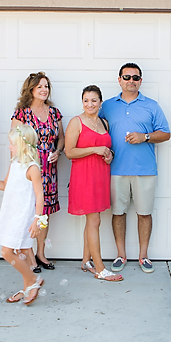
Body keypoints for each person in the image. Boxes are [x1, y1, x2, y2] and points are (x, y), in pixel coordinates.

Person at [100, 63, 170, 274]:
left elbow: (165, 134)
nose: (131, 81)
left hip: (145, 170)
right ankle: (121, 255)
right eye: (127, 77)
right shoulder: (107, 105)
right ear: (119, 79)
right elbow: (95, 128)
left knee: (144, 213)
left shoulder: (152, 105)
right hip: (115, 170)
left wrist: (145, 137)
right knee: (118, 213)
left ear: (141, 81)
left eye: (135, 78)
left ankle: (143, 256)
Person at [0, 124, 46, 305]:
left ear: (22, 145)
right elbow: (5, 185)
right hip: (10, 214)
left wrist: (37, 220)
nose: (9, 147)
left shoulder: (32, 168)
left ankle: (33, 280)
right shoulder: (15, 164)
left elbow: (40, 195)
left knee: (7, 252)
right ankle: (28, 285)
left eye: (12, 144)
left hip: (23, 217)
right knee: (18, 252)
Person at [65, 85, 122, 281]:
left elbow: (107, 148)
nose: (90, 104)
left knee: (92, 221)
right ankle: (100, 269)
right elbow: (69, 151)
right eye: (86, 100)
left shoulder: (104, 123)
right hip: (84, 177)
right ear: (82, 102)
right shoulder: (76, 122)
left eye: (94, 100)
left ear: (100, 102)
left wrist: (109, 155)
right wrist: (94, 149)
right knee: (94, 221)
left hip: (101, 176)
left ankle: (86, 260)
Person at [10, 72, 64, 273]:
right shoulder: (21, 114)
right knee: (28, 211)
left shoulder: (54, 113)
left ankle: (41, 253)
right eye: (40, 86)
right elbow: (13, 140)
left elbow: (61, 138)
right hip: (29, 169)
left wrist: (58, 152)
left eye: (46, 86)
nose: (44, 90)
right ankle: (29, 256)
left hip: (49, 170)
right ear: (30, 89)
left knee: (44, 213)